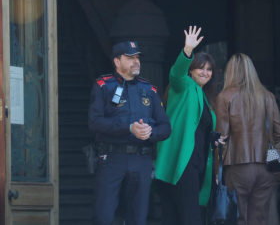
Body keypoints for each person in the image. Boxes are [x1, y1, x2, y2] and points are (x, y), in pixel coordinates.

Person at [88, 41, 171, 225]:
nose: (136, 61)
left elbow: (166, 127)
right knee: (103, 217)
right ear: (117, 62)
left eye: (137, 57)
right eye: (130, 57)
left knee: (138, 218)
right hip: (111, 158)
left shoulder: (149, 89)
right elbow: (94, 122)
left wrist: (150, 132)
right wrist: (128, 128)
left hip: (141, 160)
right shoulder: (103, 86)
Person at [155, 26, 221, 225]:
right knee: (190, 218)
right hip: (182, 162)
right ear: (191, 70)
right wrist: (187, 51)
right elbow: (176, 74)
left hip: (197, 163)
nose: (205, 72)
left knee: (181, 217)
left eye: (209, 69)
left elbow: (201, 130)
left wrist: (215, 139)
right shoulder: (183, 86)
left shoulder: (205, 96)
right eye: (201, 67)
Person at [215, 53, 280, 225]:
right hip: (266, 167)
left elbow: (220, 139)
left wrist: (217, 170)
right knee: (259, 218)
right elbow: (279, 133)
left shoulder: (224, 97)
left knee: (238, 218)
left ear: (230, 72)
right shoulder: (267, 96)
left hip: (237, 167)